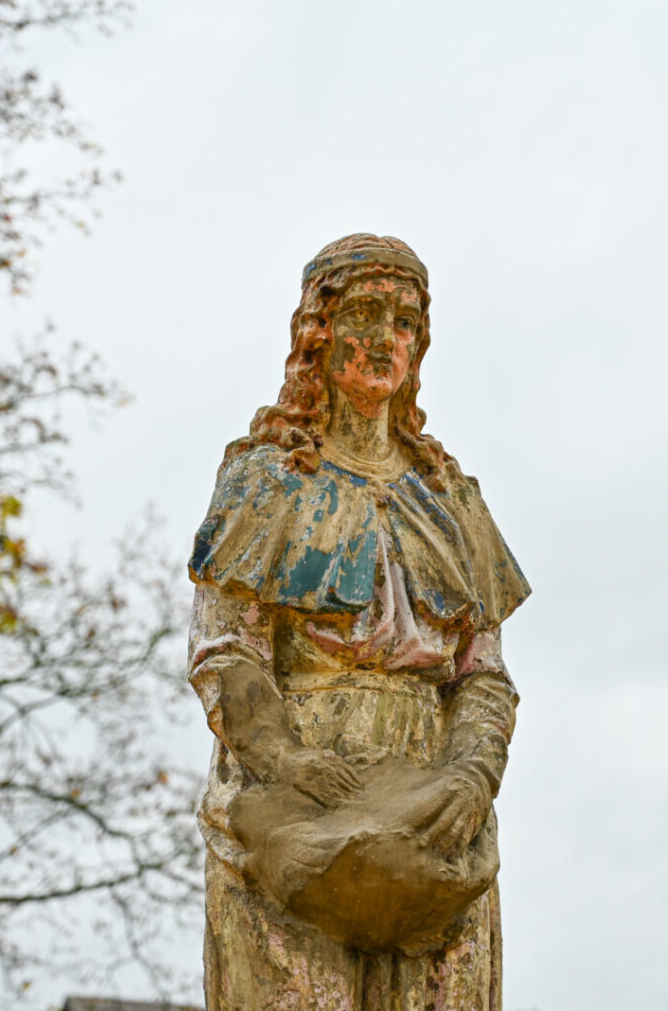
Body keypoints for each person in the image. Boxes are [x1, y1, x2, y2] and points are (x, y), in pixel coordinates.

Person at [188, 234, 530, 1010]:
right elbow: (226, 653)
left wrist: (473, 775)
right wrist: (284, 759)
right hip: (296, 797)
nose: (386, 339)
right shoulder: (266, 481)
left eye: (405, 321)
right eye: (366, 314)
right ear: (320, 333)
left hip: (434, 801)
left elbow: (484, 674)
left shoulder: (451, 499)